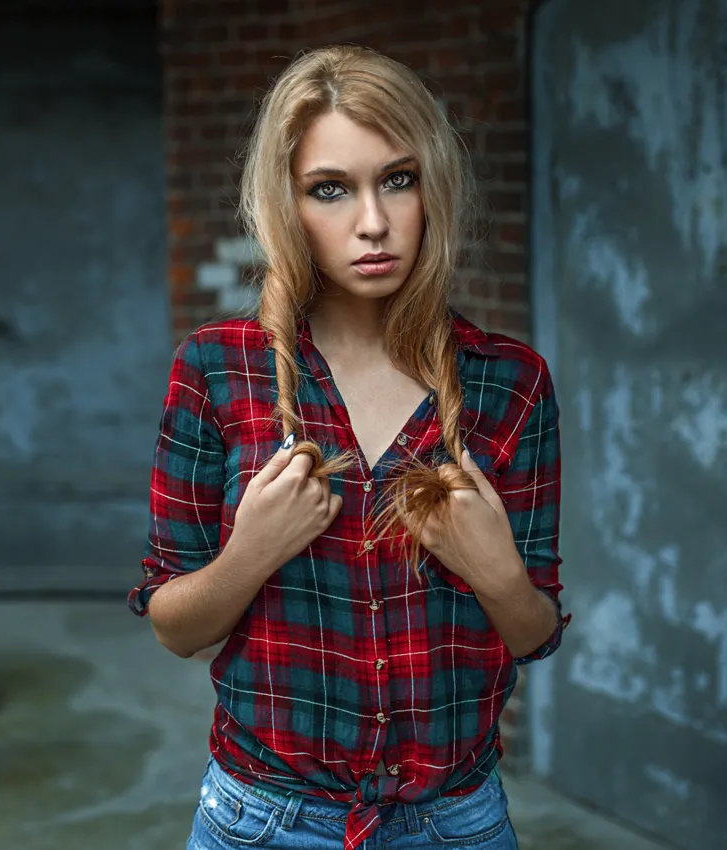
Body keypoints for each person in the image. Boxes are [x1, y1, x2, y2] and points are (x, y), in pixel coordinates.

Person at [127, 44, 568, 850]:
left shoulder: (510, 384)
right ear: (287, 204)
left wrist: (497, 572)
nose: (373, 222)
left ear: (432, 185)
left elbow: (534, 632)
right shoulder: (218, 369)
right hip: (262, 820)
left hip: (454, 823)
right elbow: (175, 627)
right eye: (330, 189)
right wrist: (249, 553)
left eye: (397, 180)